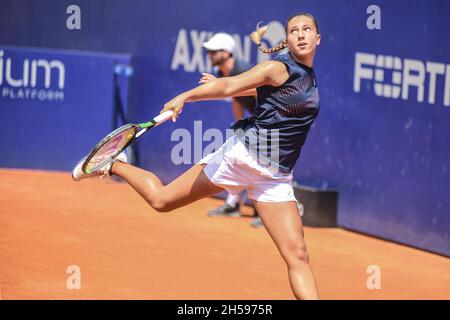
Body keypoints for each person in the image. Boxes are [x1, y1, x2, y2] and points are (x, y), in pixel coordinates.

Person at [73, 12, 321, 300]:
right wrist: (186, 96)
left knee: (298, 255)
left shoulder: (308, 77)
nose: (301, 34)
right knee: (161, 201)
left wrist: (215, 88)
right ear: (287, 39)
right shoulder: (278, 67)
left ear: (318, 38)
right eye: (295, 31)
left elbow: (257, 92)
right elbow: (230, 86)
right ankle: (115, 164)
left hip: (276, 177)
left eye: (307, 30)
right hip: (241, 159)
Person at [200, 32, 258, 219]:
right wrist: (239, 125)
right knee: (239, 159)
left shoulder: (242, 70)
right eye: (208, 51)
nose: (210, 55)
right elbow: (237, 99)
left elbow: (262, 92)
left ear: (226, 53)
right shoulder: (222, 74)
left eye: (214, 51)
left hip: (274, 121)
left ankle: (268, 213)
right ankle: (233, 205)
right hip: (256, 121)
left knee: (261, 165)